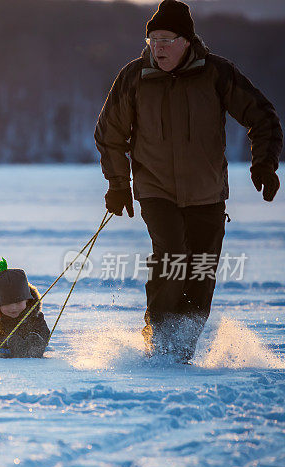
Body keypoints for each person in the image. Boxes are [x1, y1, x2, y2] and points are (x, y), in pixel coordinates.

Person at [95, 0, 282, 363]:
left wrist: (264, 164)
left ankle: (181, 350)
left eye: (166, 39)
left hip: (207, 194)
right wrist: (117, 183)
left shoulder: (216, 73)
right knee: (172, 256)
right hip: (155, 189)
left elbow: (262, 115)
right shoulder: (135, 77)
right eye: (153, 41)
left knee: (200, 272)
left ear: (186, 41)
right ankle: (158, 341)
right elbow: (109, 133)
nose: (158, 48)